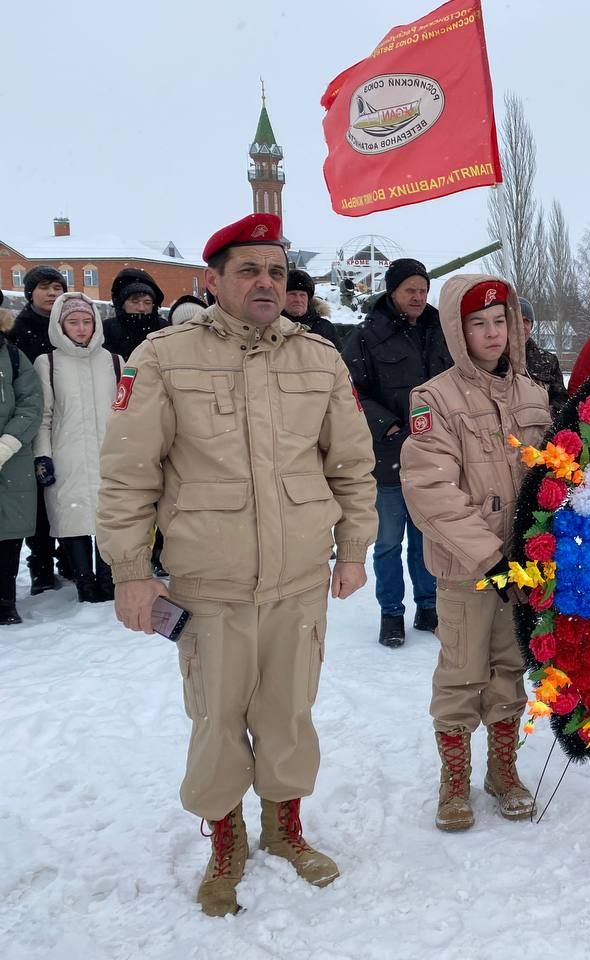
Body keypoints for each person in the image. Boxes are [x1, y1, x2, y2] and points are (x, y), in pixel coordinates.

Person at [96, 213, 377, 917]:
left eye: (276, 272)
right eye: (249, 270)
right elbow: (129, 475)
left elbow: (353, 467)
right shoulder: (163, 357)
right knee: (216, 718)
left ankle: (285, 829)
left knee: (289, 711)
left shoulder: (319, 358)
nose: (265, 283)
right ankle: (226, 841)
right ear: (214, 280)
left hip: (300, 578)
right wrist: (131, 570)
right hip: (210, 581)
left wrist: (355, 550)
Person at [400, 275, 552, 831]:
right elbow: (430, 489)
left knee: (511, 667)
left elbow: (554, 478)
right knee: (462, 671)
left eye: (500, 322)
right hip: (470, 569)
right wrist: (490, 558)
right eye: (477, 324)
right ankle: (455, 778)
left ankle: (503, 770)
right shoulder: (434, 399)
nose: (492, 333)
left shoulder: (534, 395)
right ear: (457, 331)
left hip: (525, 566)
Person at [342, 258, 449, 647]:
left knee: (426, 537)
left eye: (423, 290)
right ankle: (391, 612)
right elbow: (350, 390)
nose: (418, 297)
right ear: (393, 293)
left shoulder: (441, 330)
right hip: (388, 456)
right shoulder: (369, 335)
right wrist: (385, 424)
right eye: (410, 291)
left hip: (433, 454)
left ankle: (428, 605)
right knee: (388, 540)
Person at [33, 293, 122, 603]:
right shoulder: (48, 363)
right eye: (73, 322)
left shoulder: (114, 361)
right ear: (61, 325)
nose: (81, 328)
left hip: (107, 453)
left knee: (109, 517)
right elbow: (43, 416)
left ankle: (109, 582)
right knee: (73, 519)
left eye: (87, 321)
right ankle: (86, 585)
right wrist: (42, 454)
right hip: (66, 453)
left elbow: (126, 411)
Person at [12, 267, 65, 594]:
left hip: (69, 420)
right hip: (34, 422)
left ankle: (71, 563)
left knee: (69, 492)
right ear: (31, 292)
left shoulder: (71, 325)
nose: (52, 293)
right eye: (44, 287)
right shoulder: (20, 332)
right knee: (39, 501)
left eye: (57, 287)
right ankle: (42, 567)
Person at [0, 307, 43, 625]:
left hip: (11, 461)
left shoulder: (14, 358)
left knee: (8, 535)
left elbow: (31, 404)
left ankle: (5, 601)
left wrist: (6, 444)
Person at [519, 296, 569, 418]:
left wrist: (546, 416)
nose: (521, 325)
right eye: (516, 320)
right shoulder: (495, 360)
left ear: (531, 325)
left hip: (540, 429)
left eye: (526, 321)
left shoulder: (548, 361)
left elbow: (561, 399)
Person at [105, 268, 168, 362]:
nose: (141, 308)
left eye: (147, 302)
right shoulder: (106, 330)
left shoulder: (165, 330)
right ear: (122, 304)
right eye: (135, 302)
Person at [284, 270, 341, 348]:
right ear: (282, 297)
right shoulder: (273, 326)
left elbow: (337, 358)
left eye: (302, 295)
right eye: (293, 294)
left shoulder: (324, 328)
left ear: (309, 299)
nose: (298, 299)